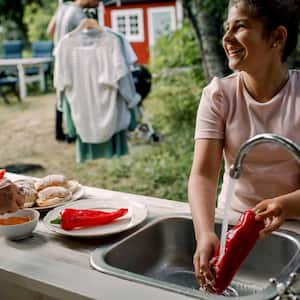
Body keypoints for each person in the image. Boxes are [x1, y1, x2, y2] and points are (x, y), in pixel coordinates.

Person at [188, 0, 300, 292]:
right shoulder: (219, 96)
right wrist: (204, 233)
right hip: (232, 227)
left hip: (294, 228)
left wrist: (286, 205)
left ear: (277, 37)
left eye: (240, 27)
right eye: (227, 28)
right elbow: (203, 175)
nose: (226, 39)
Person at [47, 0, 99, 142]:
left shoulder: (63, 9)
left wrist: (60, 41)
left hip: (59, 57)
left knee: (61, 94)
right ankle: (74, 133)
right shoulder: (78, 14)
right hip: (73, 60)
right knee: (76, 96)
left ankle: (59, 132)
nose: (98, 3)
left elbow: (50, 30)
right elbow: (88, 40)